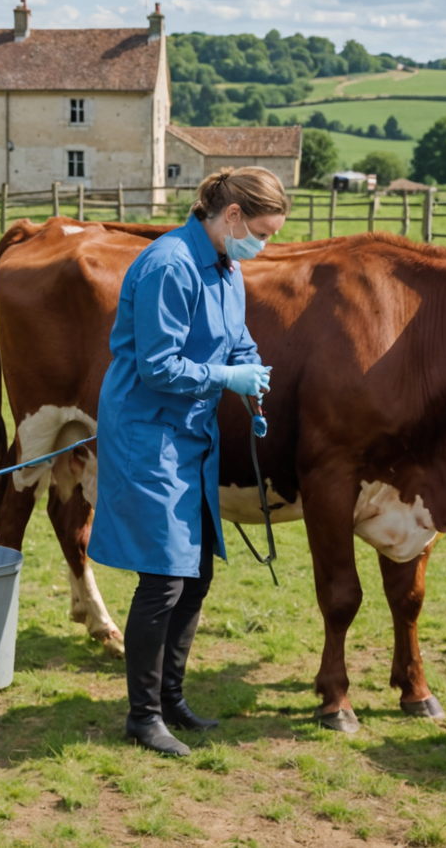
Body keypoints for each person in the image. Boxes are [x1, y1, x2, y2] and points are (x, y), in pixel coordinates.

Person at [89, 167, 290, 757]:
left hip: (190, 436)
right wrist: (227, 376)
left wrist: (250, 372)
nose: (265, 245)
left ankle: (171, 697)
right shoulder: (169, 265)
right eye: (262, 232)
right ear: (231, 217)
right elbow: (158, 366)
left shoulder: (227, 267)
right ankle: (142, 717)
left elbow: (237, 338)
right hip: (148, 434)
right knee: (164, 577)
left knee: (196, 572)